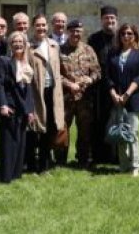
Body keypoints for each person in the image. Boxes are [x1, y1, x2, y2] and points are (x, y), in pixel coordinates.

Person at [105, 23, 139, 176]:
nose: (126, 36)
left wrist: (127, 94)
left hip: (132, 100)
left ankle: (135, 166)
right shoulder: (113, 53)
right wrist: (114, 94)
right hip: (116, 100)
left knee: (133, 133)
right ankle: (123, 165)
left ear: (135, 36)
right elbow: (107, 76)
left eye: (129, 33)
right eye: (123, 34)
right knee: (120, 133)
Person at [25, 13, 65, 174]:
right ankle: (31, 164)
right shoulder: (28, 47)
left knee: (50, 129)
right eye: (38, 25)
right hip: (36, 94)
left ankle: (44, 164)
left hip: (52, 93)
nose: (41, 28)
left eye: (43, 25)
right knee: (35, 130)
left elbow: (57, 70)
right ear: (33, 27)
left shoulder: (54, 45)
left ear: (47, 27)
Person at [59, 19, 101, 167]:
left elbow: (97, 72)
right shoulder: (60, 50)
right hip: (66, 98)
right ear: (67, 32)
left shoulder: (89, 50)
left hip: (84, 99)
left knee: (84, 131)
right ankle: (60, 160)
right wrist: (69, 84)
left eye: (78, 31)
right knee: (62, 129)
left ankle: (82, 160)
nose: (76, 34)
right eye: (73, 31)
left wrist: (90, 79)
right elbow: (56, 74)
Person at [0, 31, 35, 183]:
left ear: (25, 45)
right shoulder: (4, 61)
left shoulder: (26, 64)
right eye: (15, 42)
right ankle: (6, 176)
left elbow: (29, 89)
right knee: (9, 142)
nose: (18, 44)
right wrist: (3, 104)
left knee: (20, 141)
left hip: (23, 108)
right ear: (10, 45)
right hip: (10, 106)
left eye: (21, 42)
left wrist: (30, 109)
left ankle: (16, 173)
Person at [88, 5, 118, 164]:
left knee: (115, 120)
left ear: (116, 20)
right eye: (107, 18)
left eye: (112, 18)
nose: (109, 21)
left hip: (116, 86)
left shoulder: (121, 38)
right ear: (101, 20)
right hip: (98, 88)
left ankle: (115, 157)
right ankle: (98, 156)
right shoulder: (93, 39)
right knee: (98, 121)